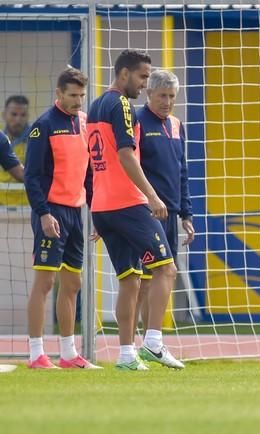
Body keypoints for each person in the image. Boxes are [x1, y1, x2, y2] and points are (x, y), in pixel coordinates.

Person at [87, 49, 183, 371]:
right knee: (166, 269)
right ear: (124, 73)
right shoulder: (122, 105)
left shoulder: (96, 105)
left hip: (104, 207)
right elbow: (126, 155)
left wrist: (96, 208)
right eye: (143, 76)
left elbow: (95, 162)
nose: (144, 84)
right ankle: (153, 342)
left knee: (129, 281)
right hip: (128, 203)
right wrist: (153, 197)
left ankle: (126, 354)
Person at [24, 67, 99, 369]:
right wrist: (43, 214)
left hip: (76, 213)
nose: (78, 101)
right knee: (45, 282)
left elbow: (90, 174)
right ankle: (35, 354)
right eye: (72, 95)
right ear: (58, 94)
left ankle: (68, 354)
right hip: (51, 212)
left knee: (73, 283)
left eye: (82, 95)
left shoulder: (84, 123)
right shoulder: (43, 126)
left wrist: (96, 212)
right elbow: (31, 177)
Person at [135, 69, 195, 334]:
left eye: (172, 96)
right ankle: (133, 340)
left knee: (163, 278)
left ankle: (152, 341)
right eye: (162, 95)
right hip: (145, 212)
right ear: (149, 93)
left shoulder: (176, 125)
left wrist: (186, 214)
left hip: (170, 213)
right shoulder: (136, 121)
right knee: (142, 280)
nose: (167, 102)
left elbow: (181, 172)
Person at [1, 95, 30, 205]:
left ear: (27, 116)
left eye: (22, 115)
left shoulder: (36, 139)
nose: (18, 119)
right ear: (4, 115)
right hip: (1, 203)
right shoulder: (1, 139)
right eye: (14, 114)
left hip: (27, 204)